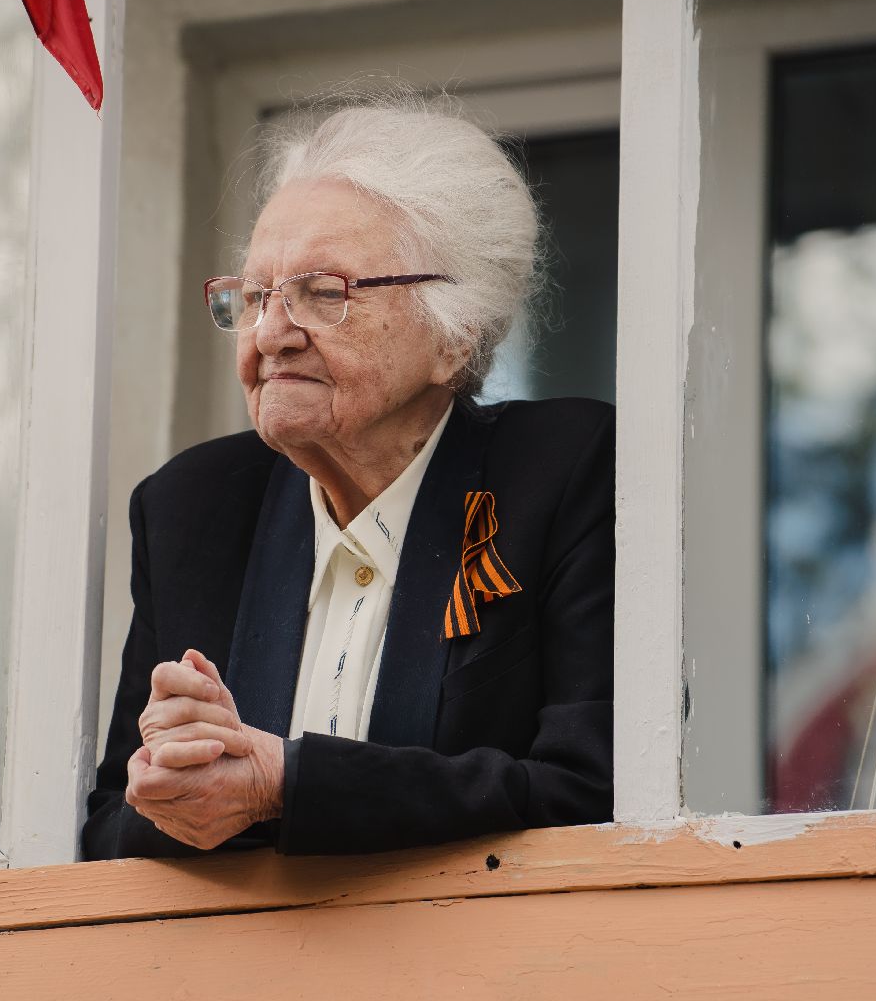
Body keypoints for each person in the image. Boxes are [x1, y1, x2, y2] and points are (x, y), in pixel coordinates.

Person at [81, 90, 615, 859]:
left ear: (455, 337)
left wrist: (285, 785)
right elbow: (105, 832)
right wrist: (170, 784)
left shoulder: (563, 471)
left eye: (322, 294)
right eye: (256, 295)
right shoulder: (189, 509)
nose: (270, 332)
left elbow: (589, 794)